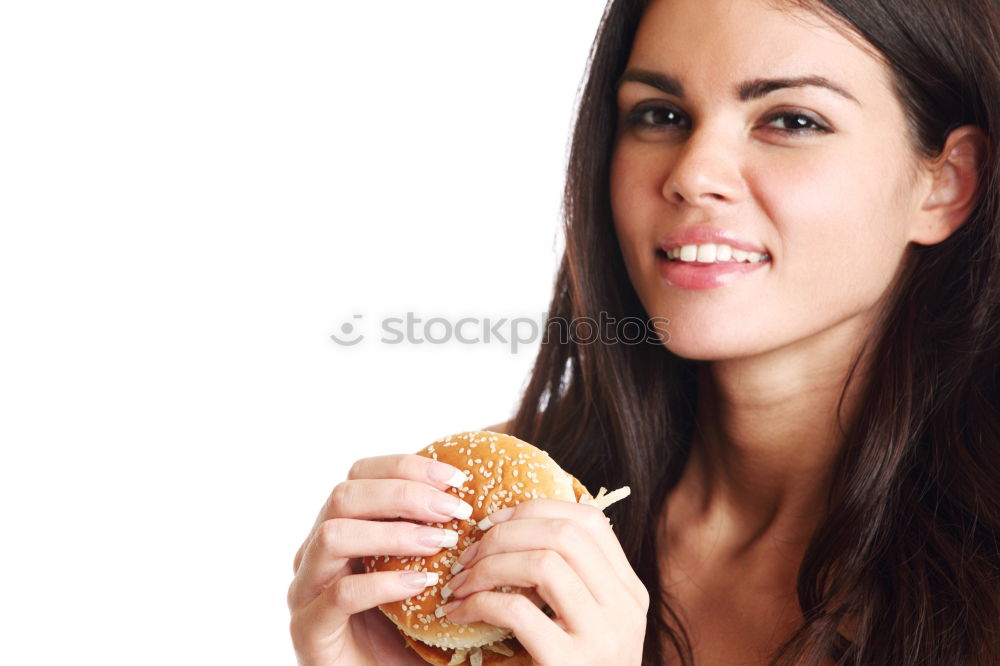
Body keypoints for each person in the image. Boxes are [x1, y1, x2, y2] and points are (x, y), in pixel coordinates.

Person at [287, 0, 1000, 663]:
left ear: (946, 183)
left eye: (792, 120)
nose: (693, 174)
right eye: (659, 115)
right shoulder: (490, 540)